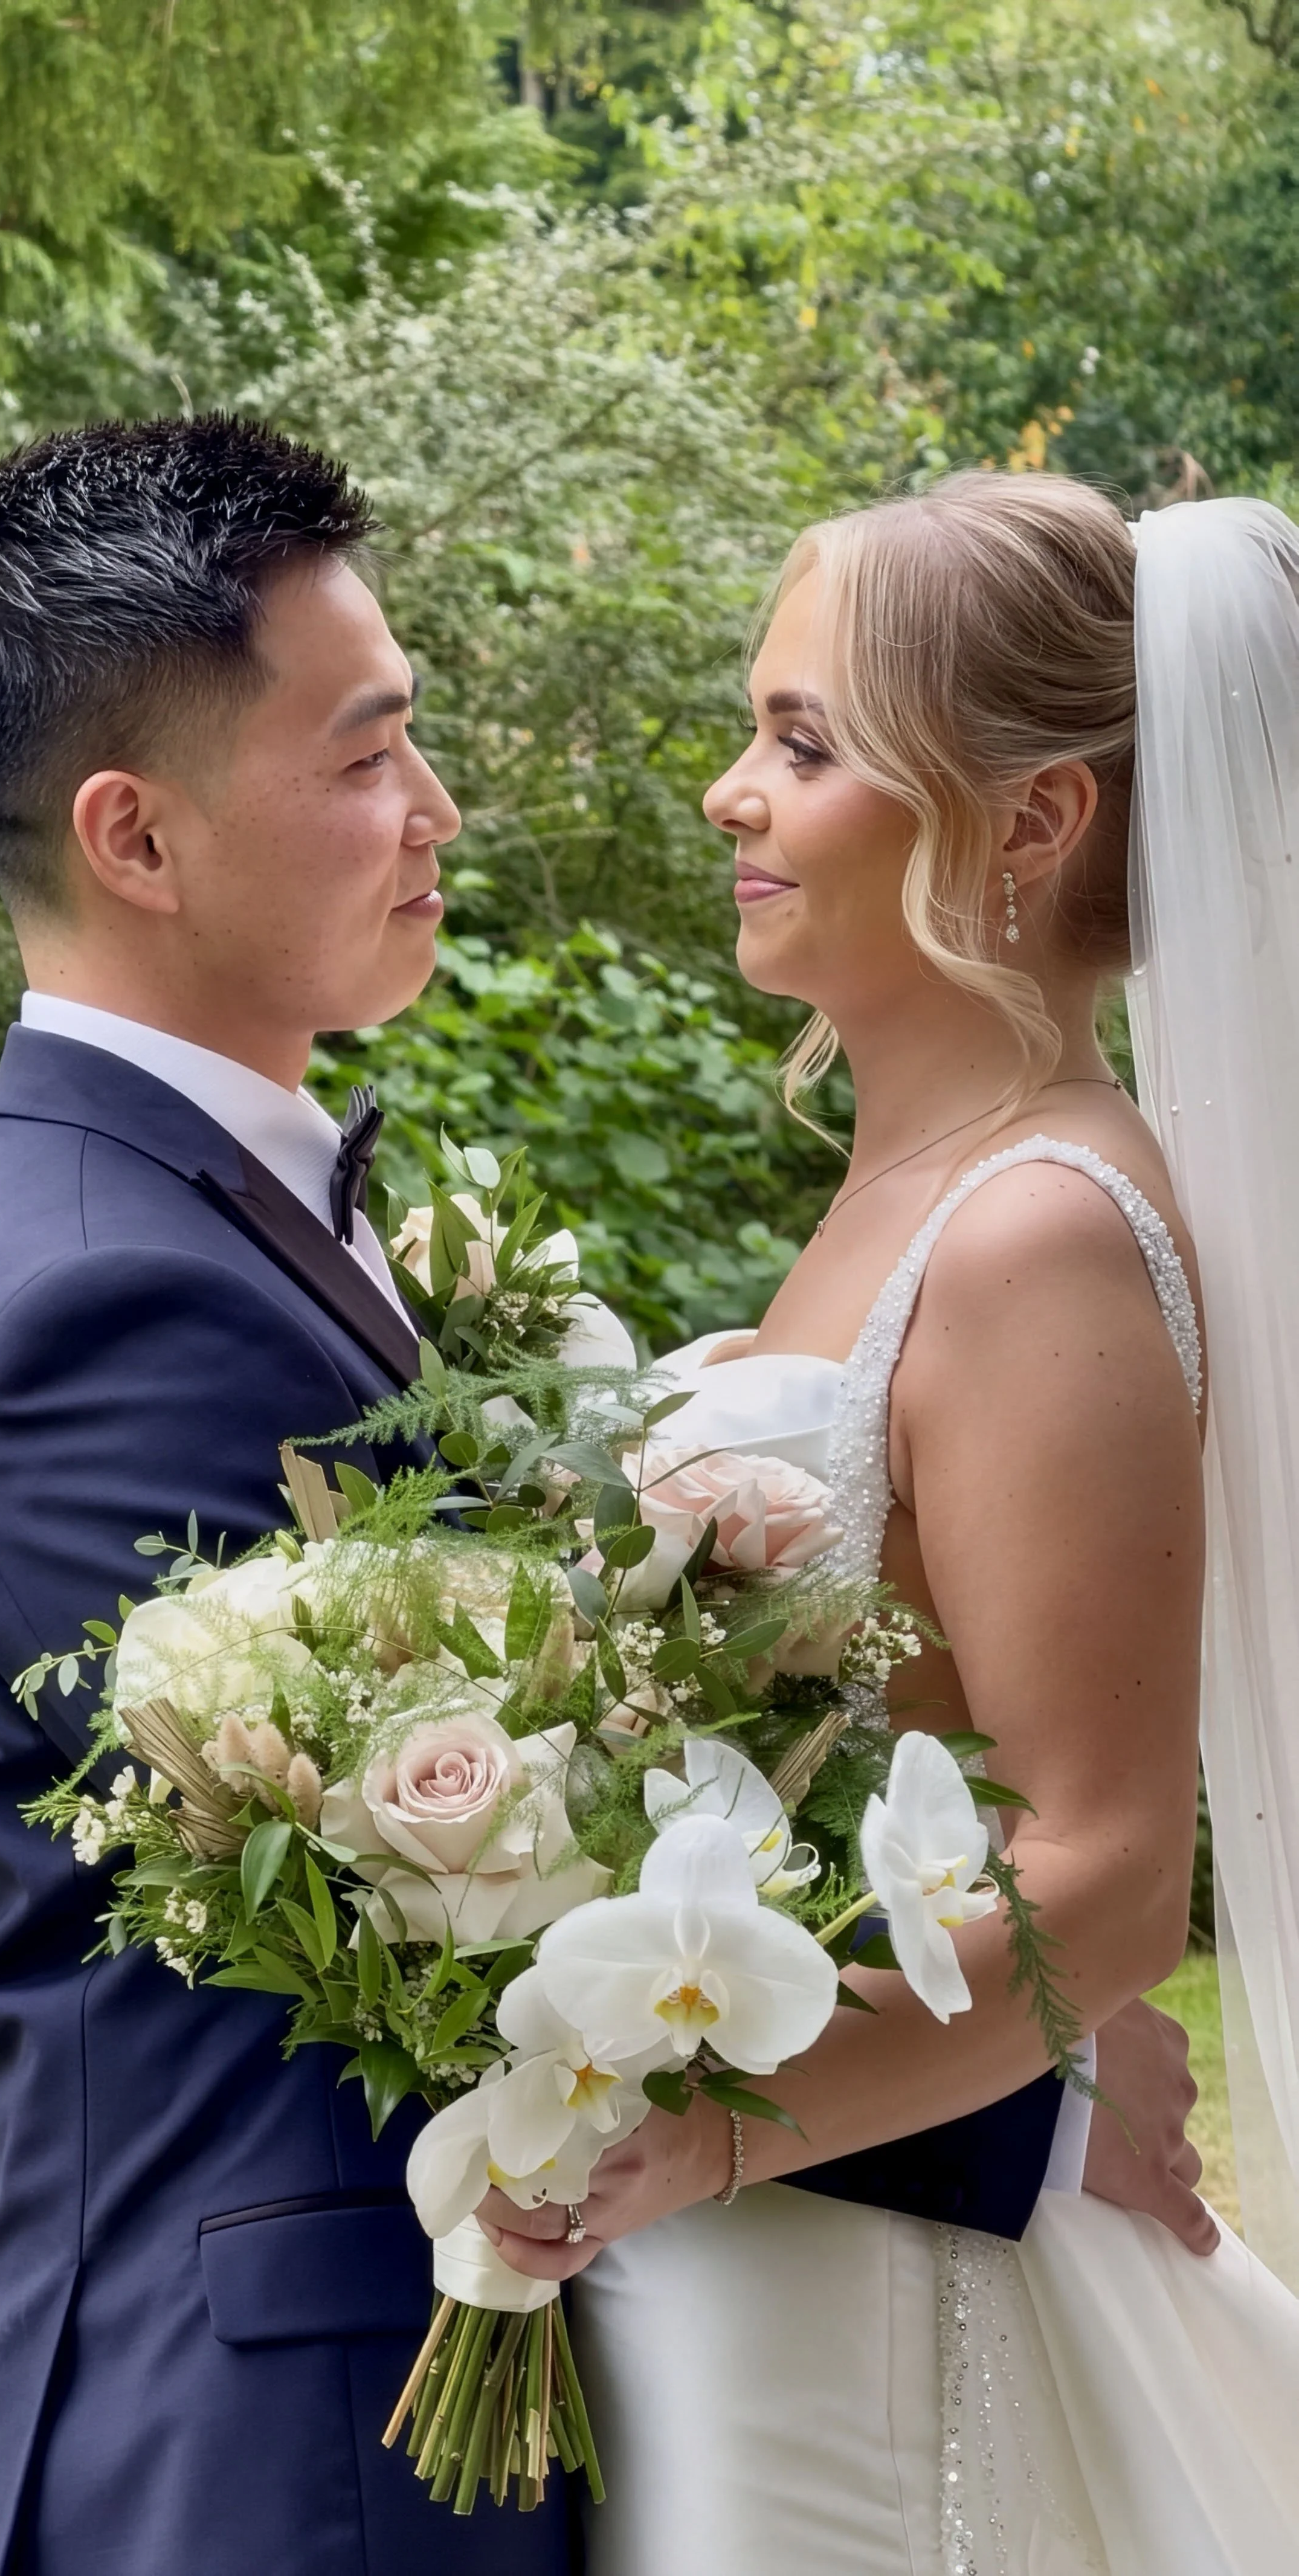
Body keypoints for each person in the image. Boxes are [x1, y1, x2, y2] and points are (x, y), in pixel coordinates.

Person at [0, 421, 1205, 2576]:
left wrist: (1025, 2040)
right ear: (137, 837)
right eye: (366, 754)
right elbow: (412, 1940)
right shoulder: (105, 1298)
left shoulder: (209, 1223)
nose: (439, 809)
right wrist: (1024, 2106)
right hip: (253, 2463)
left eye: (801, 736)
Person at [478, 474, 1299, 2574]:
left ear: (1028, 823)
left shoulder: (1034, 1236)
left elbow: (1100, 1873)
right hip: (734, 2267)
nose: (729, 793)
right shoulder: (896, 1198)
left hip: (848, 2319)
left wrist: (688, 2127)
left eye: (805, 742)